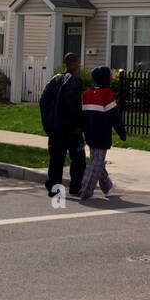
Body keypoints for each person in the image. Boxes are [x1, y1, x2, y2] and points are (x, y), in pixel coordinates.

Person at [39, 52, 85, 197]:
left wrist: (49, 121)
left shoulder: (54, 79)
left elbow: (43, 101)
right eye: (78, 62)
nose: (79, 65)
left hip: (55, 128)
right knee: (78, 159)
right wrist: (78, 124)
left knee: (56, 159)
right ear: (72, 63)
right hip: (70, 128)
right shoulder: (74, 80)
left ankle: (54, 187)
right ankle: (76, 187)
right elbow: (74, 105)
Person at [79, 65, 125, 200]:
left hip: (89, 132)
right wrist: (121, 131)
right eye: (109, 75)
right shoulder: (106, 93)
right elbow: (114, 115)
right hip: (102, 133)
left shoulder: (87, 93)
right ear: (104, 77)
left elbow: (82, 115)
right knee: (96, 162)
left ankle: (107, 186)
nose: (111, 77)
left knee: (96, 159)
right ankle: (86, 190)